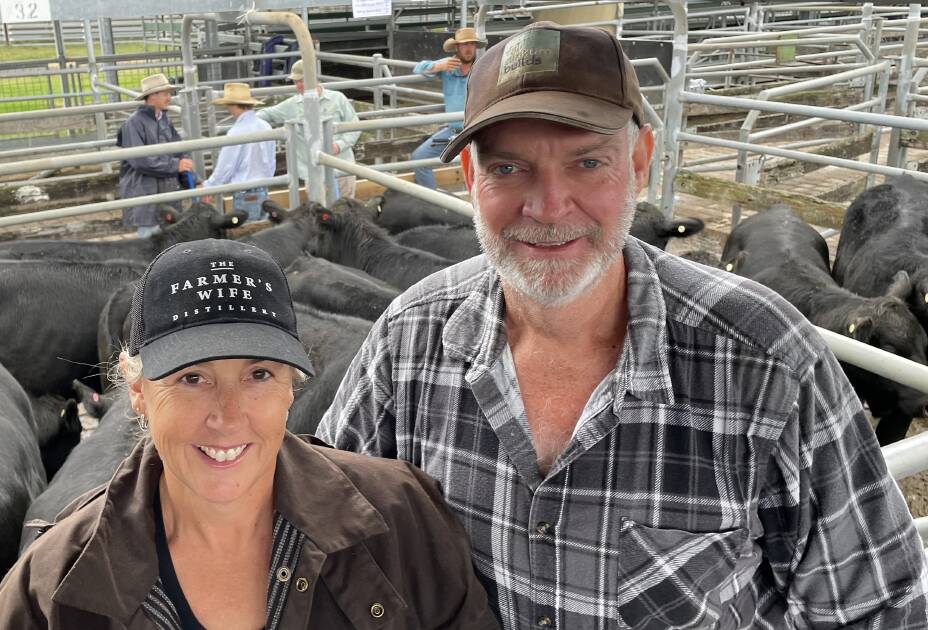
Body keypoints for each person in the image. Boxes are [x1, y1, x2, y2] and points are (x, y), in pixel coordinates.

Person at [318, 21, 928, 628]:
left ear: (639, 162)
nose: (549, 207)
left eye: (587, 162)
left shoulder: (768, 361)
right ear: (472, 179)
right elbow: (319, 523)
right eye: (508, 169)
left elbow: (881, 607)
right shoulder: (408, 339)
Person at [0, 239, 499, 629]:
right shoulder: (54, 583)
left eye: (258, 375)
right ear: (136, 390)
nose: (227, 416)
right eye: (191, 378)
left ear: (291, 387)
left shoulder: (403, 517)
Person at [257, 60, 361, 200]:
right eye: (296, 81)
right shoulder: (293, 104)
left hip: (342, 166)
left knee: (346, 208)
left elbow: (355, 126)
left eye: (302, 80)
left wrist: (339, 145)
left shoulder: (337, 98)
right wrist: (251, 124)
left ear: (313, 79)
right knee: (320, 211)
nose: (298, 85)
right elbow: (265, 114)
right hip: (314, 171)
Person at [117, 73, 196, 236]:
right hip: (145, 192)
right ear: (153, 96)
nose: (169, 97)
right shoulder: (133, 123)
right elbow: (140, 161)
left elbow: (180, 151)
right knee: (150, 240)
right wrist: (176, 166)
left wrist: (195, 181)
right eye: (166, 93)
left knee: (168, 238)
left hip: (164, 190)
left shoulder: (164, 120)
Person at [410, 27, 485, 191]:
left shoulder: (482, 68)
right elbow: (418, 68)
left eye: (472, 44)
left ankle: (476, 206)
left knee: (481, 169)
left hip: (477, 130)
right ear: (457, 48)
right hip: (453, 131)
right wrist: (437, 66)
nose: (468, 48)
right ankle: (435, 204)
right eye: (464, 44)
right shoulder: (448, 68)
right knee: (418, 159)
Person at [199, 83, 276, 223]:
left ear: (232, 105)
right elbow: (271, 162)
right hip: (263, 189)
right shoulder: (265, 126)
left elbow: (226, 167)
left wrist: (209, 186)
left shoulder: (236, 132)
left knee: (245, 235)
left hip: (244, 193)